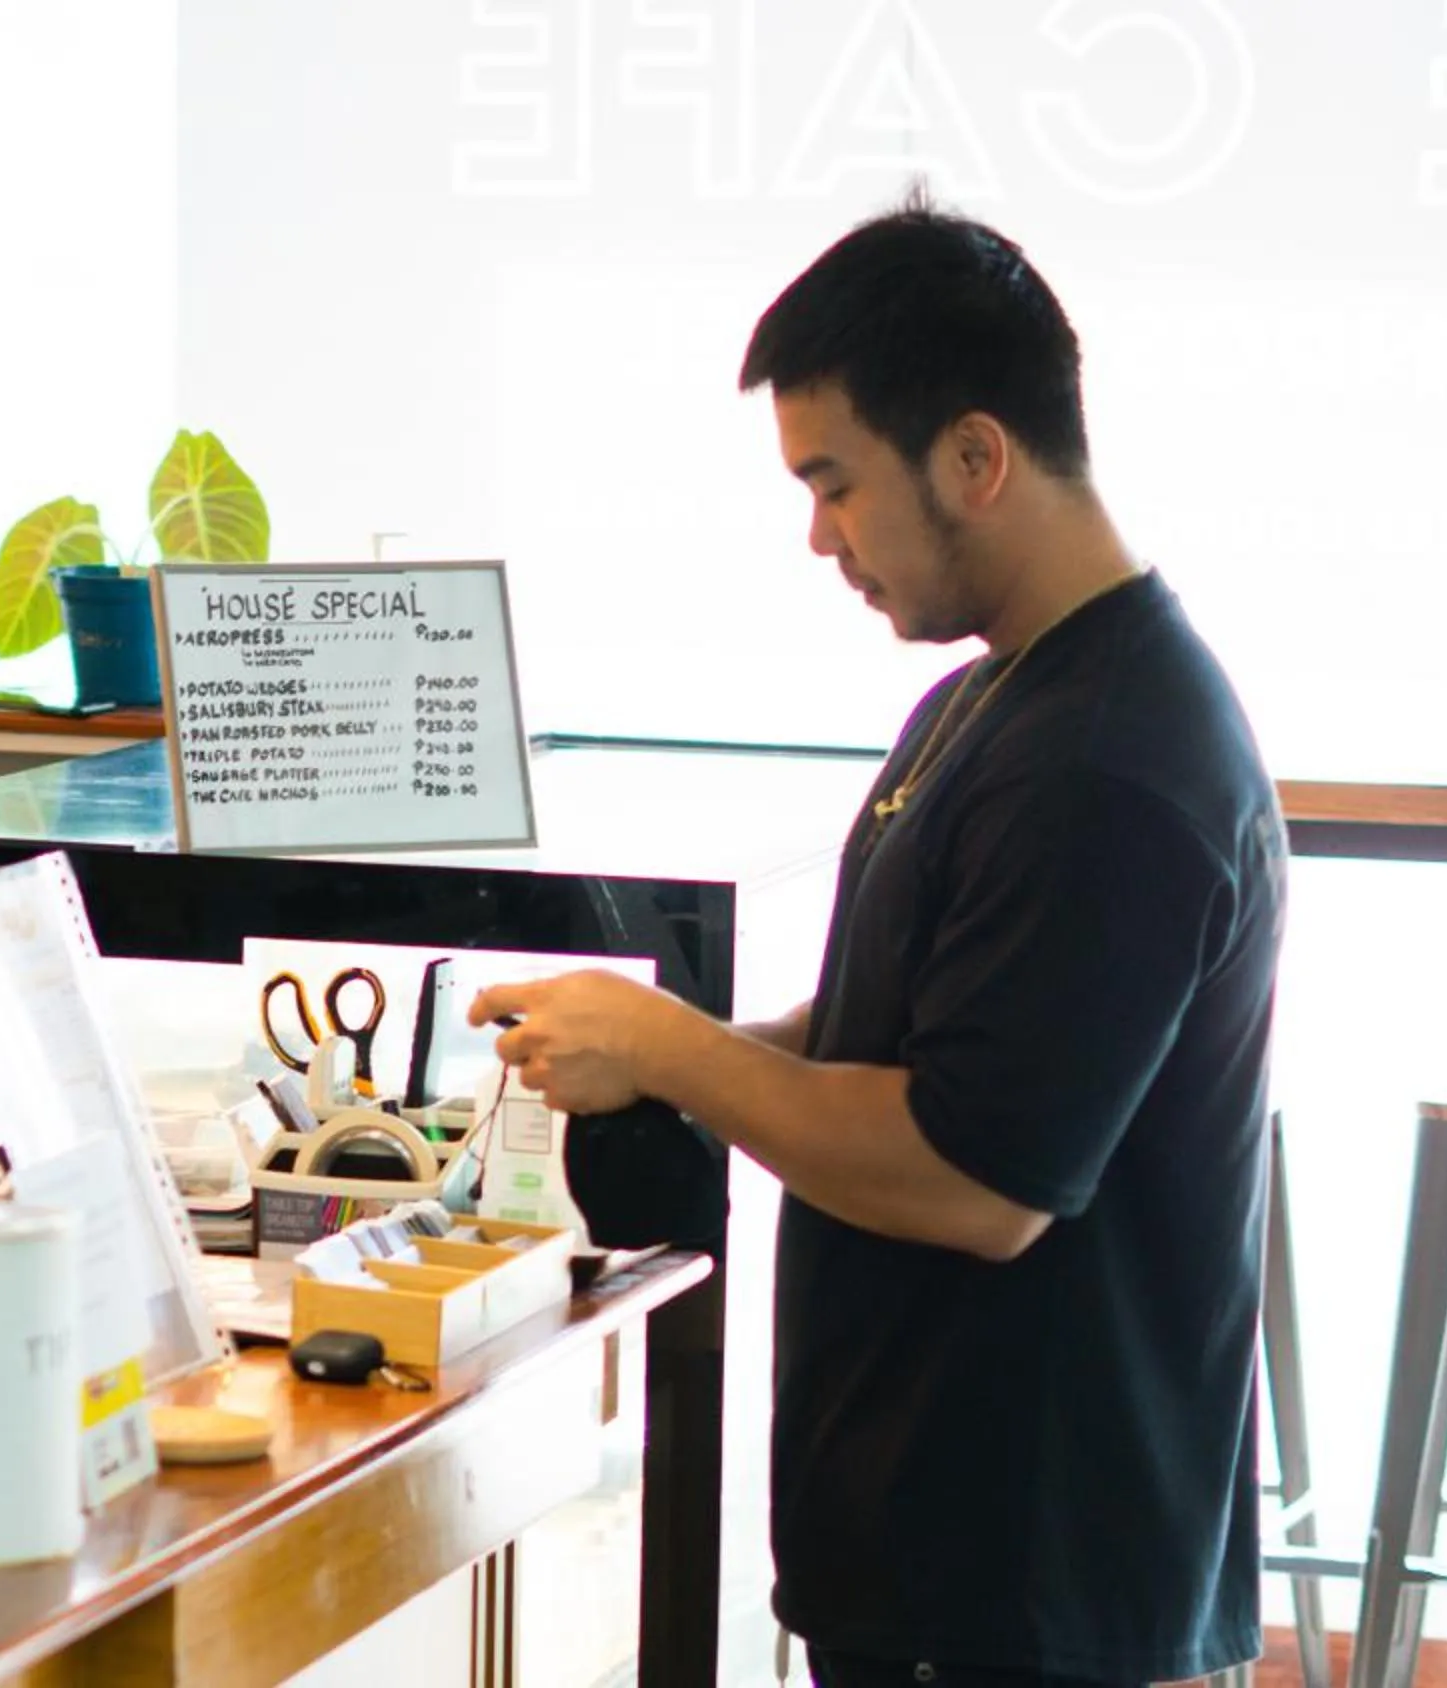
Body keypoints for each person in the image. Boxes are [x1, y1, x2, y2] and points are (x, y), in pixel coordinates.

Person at [473, 195, 1285, 1687]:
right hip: (933, 1563)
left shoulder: (1109, 762)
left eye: (836, 483)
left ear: (975, 457)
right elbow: (901, 1038)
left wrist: (670, 1045)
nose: (817, 535)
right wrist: (667, 1052)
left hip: (1023, 1592)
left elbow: (977, 1178)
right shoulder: (996, 696)